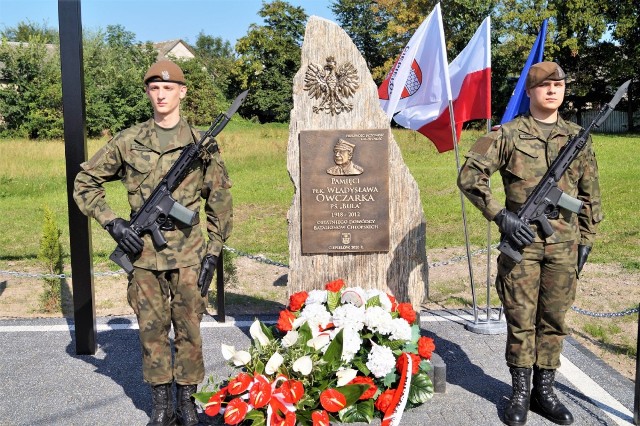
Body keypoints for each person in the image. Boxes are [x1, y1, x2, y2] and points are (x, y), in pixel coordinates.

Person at [74, 59, 233, 426]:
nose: (161, 94)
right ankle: (161, 405)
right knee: (151, 329)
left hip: (190, 255)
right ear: (148, 92)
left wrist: (214, 249)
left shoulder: (200, 143)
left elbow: (219, 199)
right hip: (143, 256)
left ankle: (187, 402)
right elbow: (85, 183)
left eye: (168, 88)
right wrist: (112, 222)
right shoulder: (129, 141)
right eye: (154, 88)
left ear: (182, 92)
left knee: (190, 329)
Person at [457, 62, 601, 426]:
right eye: (544, 85)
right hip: (522, 243)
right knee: (521, 319)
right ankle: (520, 391)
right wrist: (500, 215)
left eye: (558, 84)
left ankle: (545, 392)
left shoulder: (577, 136)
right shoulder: (507, 134)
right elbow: (470, 176)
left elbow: (590, 194)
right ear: (531, 91)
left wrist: (586, 238)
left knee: (553, 318)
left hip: (564, 245)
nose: (553, 90)